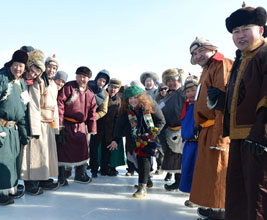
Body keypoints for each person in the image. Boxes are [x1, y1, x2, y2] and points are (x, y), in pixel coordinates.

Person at [212, 6, 267, 220]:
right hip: (238, 139)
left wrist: (261, 133)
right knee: (237, 194)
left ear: (261, 30)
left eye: (246, 29)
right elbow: (244, 97)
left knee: (258, 196)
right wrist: (221, 100)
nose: (240, 35)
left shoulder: (263, 54)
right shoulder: (241, 59)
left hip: (258, 139)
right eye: (236, 31)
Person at [188, 37, 233, 220]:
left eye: (201, 51)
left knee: (218, 172)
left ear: (212, 49)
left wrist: (220, 136)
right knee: (208, 172)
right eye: (194, 54)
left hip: (217, 128)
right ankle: (213, 206)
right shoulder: (206, 70)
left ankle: (220, 212)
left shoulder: (221, 64)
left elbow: (222, 104)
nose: (198, 56)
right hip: (207, 128)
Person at [107, 85, 165, 198]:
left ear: (141, 97)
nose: (132, 100)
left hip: (148, 137)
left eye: (135, 98)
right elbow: (120, 125)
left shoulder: (151, 105)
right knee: (133, 159)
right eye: (130, 98)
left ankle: (142, 186)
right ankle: (147, 180)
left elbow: (161, 121)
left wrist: (151, 134)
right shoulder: (126, 109)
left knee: (143, 159)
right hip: (132, 137)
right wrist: (115, 139)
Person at [20, 52, 60, 195]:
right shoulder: (39, 82)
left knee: (45, 154)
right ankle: (31, 181)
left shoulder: (53, 85)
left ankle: (43, 177)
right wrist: (35, 129)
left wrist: (56, 128)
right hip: (39, 123)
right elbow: (34, 106)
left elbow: (55, 108)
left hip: (48, 124)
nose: (52, 71)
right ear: (45, 67)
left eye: (55, 69)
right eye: (50, 67)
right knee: (35, 154)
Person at [57, 66, 97, 185]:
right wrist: (59, 124)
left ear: (88, 79)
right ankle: (62, 176)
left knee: (82, 150)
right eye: (79, 76)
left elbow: (92, 112)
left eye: (84, 77)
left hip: (80, 127)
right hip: (66, 124)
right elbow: (60, 104)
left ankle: (80, 174)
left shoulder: (90, 93)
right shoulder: (69, 87)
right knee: (63, 151)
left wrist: (92, 128)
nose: (82, 79)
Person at [0, 50, 29, 205]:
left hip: (14, 129)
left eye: (21, 66)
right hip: (2, 128)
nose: (18, 69)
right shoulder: (2, 78)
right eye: (16, 65)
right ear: (11, 64)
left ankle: (10, 188)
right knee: (2, 160)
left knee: (12, 162)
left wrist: (25, 133)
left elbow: (23, 110)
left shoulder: (22, 83)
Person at [159, 68, 186, 190]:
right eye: (168, 81)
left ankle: (185, 183)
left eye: (173, 80)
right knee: (175, 158)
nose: (170, 83)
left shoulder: (183, 93)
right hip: (169, 130)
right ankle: (178, 181)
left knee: (183, 157)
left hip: (181, 130)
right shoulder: (168, 95)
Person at [178, 75, 199, 208]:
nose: (191, 93)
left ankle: (198, 197)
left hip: (198, 143)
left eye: (193, 90)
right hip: (188, 144)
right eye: (188, 91)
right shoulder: (187, 105)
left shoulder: (201, 105)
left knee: (197, 171)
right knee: (188, 170)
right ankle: (193, 196)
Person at [97, 78, 123, 176]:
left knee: (108, 150)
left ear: (118, 89)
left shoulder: (119, 101)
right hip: (99, 127)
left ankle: (107, 168)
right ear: (108, 86)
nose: (113, 89)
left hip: (111, 130)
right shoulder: (102, 95)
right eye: (111, 87)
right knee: (98, 149)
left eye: (116, 88)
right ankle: (97, 167)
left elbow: (118, 118)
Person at [88, 69, 110, 178]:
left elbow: (103, 110)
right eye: (100, 80)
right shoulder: (87, 87)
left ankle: (94, 169)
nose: (101, 83)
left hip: (95, 123)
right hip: (80, 120)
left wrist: (93, 117)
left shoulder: (105, 94)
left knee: (94, 146)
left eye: (104, 82)